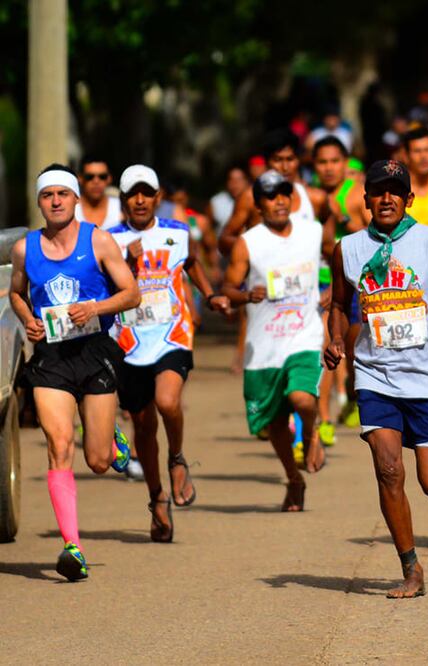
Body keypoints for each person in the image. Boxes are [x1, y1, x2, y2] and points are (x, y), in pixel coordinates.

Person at [324, 159, 428, 599]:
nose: (386, 198)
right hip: (374, 375)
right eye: (378, 191)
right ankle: (410, 567)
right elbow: (338, 304)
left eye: (395, 191)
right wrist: (335, 338)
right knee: (389, 468)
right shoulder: (347, 248)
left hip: (426, 378)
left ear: (409, 199)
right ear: (366, 200)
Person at [9, 164, 140, 580]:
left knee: (97, 461)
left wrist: (95, 308)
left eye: (62, 194)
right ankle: (72, 546)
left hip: (95, 351)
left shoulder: (97, 240)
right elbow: (16, 293)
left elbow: (131, 293)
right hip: (51, 357)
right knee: (59, 443)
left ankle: (112, 445)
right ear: (39, 202)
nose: (55, 202)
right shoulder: (24, 249)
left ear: (76, 199)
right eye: (47, 195)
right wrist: (27, 318)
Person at [109, 165, 231, 541]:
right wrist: (124, 264)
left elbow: (191, 262)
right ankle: (157, 498)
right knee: (143, 426)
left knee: (167, 401)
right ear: (123, 200)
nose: (140, 200)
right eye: (133, 194)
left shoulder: (176, 232)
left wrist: (210, 294)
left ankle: (176, 457)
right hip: (128, 343)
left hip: (171, 335)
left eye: (147, 193)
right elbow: (101, 286)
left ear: (158, 197)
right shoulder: (108, 240)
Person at [221, 170, 327, 511]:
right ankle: (294, 479)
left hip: (305, 334)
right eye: (270, 196)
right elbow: (228, 288)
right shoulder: (248, 242)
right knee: (274, 424)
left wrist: (333, 292)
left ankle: (310, 433)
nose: (279, 201)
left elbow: (338, 259)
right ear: (258, 204)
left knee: (302, 398)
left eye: (284, 193)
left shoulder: (313, 231)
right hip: (264, 345)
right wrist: (244, 296)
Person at [312, 135, 368, 445]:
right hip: (320, 281)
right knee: (326, 346)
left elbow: (375, 236)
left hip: (355, 283)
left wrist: (342, 217)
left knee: (354, 351)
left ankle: (352, 393)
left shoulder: (357, 194)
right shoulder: (307, 196)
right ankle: (324, 419)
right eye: (322, 162)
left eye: (335, 161)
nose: (329, 168)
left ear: (345, 163)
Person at [218, 129, 330, 254]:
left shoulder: (315, 197)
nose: (285, 167)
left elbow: (329, 242)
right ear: (267, 162)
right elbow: (224, 240)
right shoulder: (250, 197)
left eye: (290, 159)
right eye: (277, 160)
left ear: (298, 161)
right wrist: (258, 249)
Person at [74, 155, 124, 228]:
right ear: (80, 178)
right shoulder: (72, 209)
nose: (96, 181)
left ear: (109, 178)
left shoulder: (121, 207)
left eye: (102, 177)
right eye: (89, 177)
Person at [208, 163, 249, 235]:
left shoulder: (256, 201)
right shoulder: (215, 202)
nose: (235, 184)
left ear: (247, 181)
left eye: (239, 180)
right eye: (231, 180)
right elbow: (208, 230)